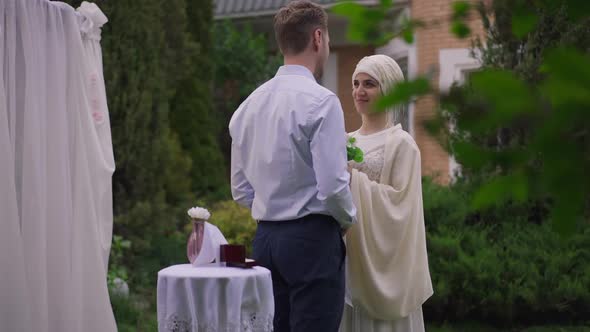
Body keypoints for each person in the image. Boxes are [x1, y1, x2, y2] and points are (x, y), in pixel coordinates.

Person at [228, 1, 356, 331]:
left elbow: (241, 190)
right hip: (313, 239)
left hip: (266, 241)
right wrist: (347, 219)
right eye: (327, 38)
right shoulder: (323, 102)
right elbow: (332, 186)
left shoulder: (247, 107)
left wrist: (271, 204)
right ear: (317, 38)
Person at [340, 54, 433, 332]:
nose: (359, 91)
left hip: (385, 263)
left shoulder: (402, 144)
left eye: (369, 84)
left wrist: (351, 180)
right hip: (347, 259)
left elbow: (402, 206)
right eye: (356, 83)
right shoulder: (343, 140)